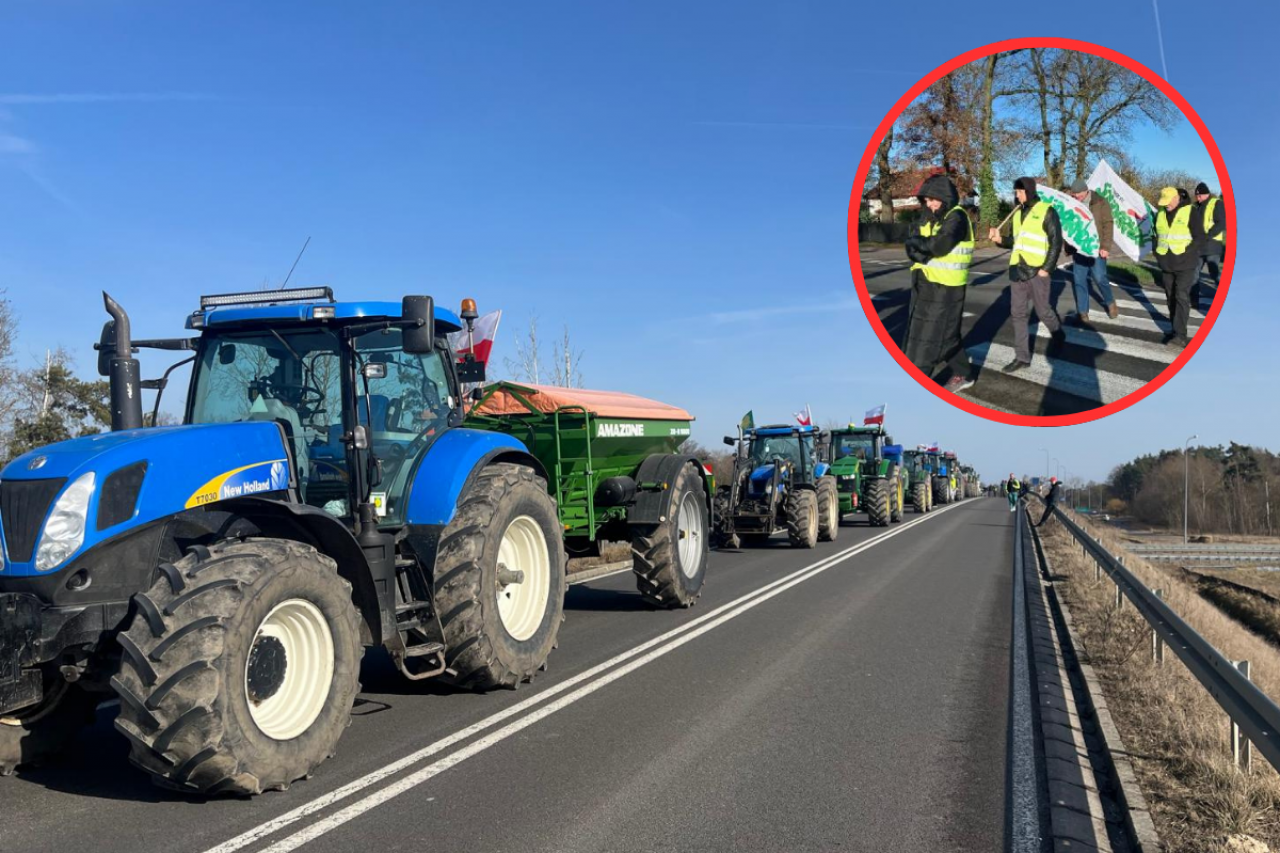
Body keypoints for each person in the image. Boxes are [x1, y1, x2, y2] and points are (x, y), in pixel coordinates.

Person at [903, 174, 976, 394]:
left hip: (946, 289)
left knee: (926, 342)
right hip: (926, 285)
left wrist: (916, 244)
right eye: (926, 200)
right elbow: (918, 245)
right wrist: (919, 248)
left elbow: (939, 245)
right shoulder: (934, 217)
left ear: (945, 197)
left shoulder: (957, 216)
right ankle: (964, 373)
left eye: (933, 199)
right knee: (944, 335)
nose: (930, 204)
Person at [989, 177, 1066, 373]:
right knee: (1018, 314)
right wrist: (1000, 239)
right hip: (1017, 270)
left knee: (1043, 311)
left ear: (1029, 191)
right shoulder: (1016, 214)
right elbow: (1015, 241)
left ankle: (1058, 334)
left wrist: (1046, 269)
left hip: (1037, 271)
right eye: (1016, 192)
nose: (1017, 195)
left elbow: (1056, 242)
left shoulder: (1047, 211)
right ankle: (1022, 357)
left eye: (1020, 192)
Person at [1066, 177, 1119, 324]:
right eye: (1074, 195)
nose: (1076, 197)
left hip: (1096, 248)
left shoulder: (1100, 201)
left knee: (1100, 277)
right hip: (1079, 248)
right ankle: (1083, 312)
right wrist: (1068, 246)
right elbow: (1068, 223)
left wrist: (1105, 247)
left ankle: (1110, 302)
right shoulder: (1072, 203)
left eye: (1079, 195)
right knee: (1079, 280)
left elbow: (1108, 224)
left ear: (1086, 191)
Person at [1154, 186, 1199, 347]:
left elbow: (1199, 237)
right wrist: (1157, 253)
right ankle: (1174, 328)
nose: (1166, 205)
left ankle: (1180, 335)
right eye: (1163, 202)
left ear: (1176, 198)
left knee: (1181, 296)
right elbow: (1156, 235)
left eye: (1168, 202)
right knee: (1170, 297)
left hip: (1185, 263)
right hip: (1166, 263)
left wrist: (1187, 253)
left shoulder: (1190, 211)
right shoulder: (1160, 213)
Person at [1191, 181, 1226, 310]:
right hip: (1198, 247)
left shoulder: (1216, 203)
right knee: (1194, 274)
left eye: (1199, 195)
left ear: (1206, 194)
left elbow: (1221, 223)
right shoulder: (1196, 206)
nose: (1198, 198)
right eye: (1196, 196)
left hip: (1212, 246)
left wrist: (1207, 235)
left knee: (1214, 274)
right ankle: (1194, 301)